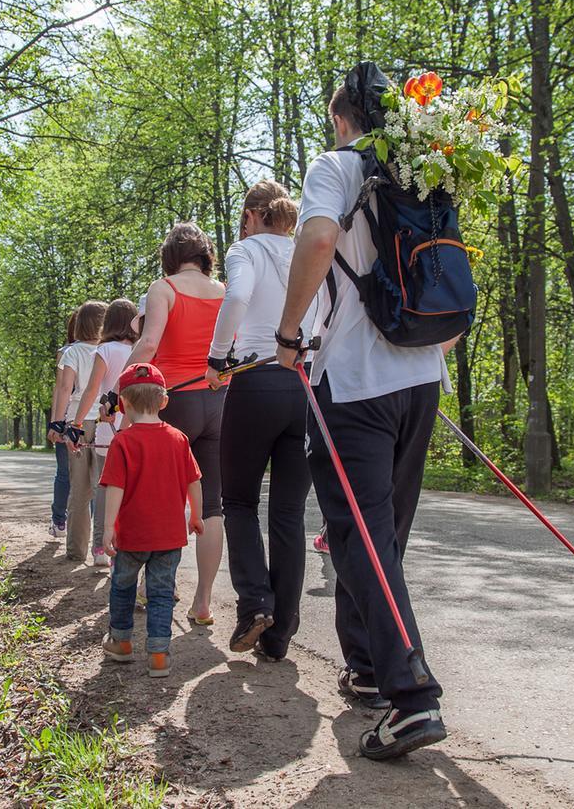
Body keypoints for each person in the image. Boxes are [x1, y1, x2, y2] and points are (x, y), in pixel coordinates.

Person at [274, 76, 455, 760]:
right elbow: (451, 280)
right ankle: (374, 670)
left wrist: (289, 329)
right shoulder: (425, 179)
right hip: (420, 379)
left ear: (345, 119)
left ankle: (412, 700)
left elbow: (319, 239)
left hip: (353, 383)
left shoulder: (337, 166)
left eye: (332, 119)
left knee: (357, 539)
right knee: (385, 539)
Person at [204, 180, 317, 662]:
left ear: (251, 215)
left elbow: (237, 298)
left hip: (255, 379)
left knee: (239, 500)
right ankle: (280, 634)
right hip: (307, 385)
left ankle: (255, 603)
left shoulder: (244, 250)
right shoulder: (308, 250)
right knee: (289, 514)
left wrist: (216, 358)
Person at [126, 223, 226, 626]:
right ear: (204, 254)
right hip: (220, 400)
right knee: (213, 504)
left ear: (170, 255)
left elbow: (149, 345)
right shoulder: (224, 291)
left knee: (164, 498)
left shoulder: (163, 288)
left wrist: (123, 382)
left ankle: (154, 587)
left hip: (175, 399)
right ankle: (203, 602)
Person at [100, 363, 204, 677]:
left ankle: (121, 642)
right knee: (161, 592)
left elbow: (114, 488)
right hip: (169, 537)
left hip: (132, 536)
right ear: (164, 401)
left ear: (124, 404)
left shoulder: (122, 442)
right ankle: (159, 654)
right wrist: (196, 515)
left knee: (123, 587)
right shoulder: (179, 439)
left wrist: (107, 529)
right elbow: (194, 481)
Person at [71, 298, 140, 568]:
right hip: (135, 426)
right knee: (133, 489)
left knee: (107, 487)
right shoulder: (142, 351)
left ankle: (100, 547)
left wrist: (76, 424)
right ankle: (127, 547)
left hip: (108, 430)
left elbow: (91, 391)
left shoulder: (105, 351)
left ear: (108, 323)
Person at [49, 300, 107, 560]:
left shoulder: (71, 353)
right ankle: (102, 550)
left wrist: (56, 423)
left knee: (79, 490)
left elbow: (64, 389)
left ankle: (76, 550)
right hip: (107, 425)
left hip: (77, 425)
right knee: (103, 488)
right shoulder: (111, 350)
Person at [47, 309, 79, 538]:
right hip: (80, 417)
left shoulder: (66, 352)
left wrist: (55, 422)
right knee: (86, 476)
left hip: (69, 417)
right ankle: (63, 520)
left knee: (66, 473)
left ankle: (60, 521)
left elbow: (60, 389)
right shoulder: (67, 352)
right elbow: (60, 388)